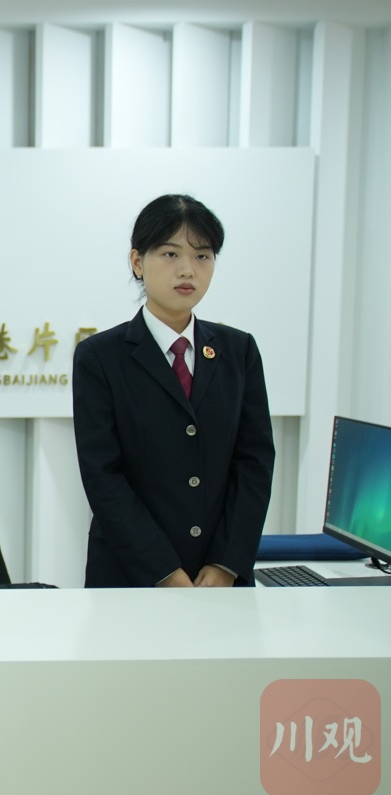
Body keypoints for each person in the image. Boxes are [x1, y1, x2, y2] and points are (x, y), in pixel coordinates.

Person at [72, 194, 274, 588]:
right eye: (170, 254)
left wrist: (226, 564)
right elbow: (102, 475)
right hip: (131, 576)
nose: (188, 270)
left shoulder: (239, 351)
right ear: (137, 262)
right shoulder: (100, 357)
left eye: (202, 256)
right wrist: (163, 572)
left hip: (221, 579)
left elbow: (255, 463)